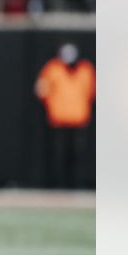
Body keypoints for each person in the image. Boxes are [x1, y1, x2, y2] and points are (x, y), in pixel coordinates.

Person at [35, 42, 95, 188]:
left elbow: (91, 91)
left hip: (79, 119)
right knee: (59, 154)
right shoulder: (53, 69)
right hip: (59, 118)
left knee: (78, 154)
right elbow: (41, 89)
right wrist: (52, 105)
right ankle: (58, 185)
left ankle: (78, 183)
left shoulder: (85, 70)